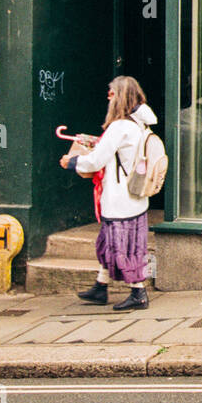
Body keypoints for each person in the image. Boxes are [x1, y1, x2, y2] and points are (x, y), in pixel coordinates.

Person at [60, 75, 156, 311]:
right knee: (111, 243)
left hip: (120, 198)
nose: (108, 97)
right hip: (135, 197)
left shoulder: (119, 127)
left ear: (120, 96)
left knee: (121, 247)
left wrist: (72, 162)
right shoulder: (139, 124)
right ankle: (100, 286)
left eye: (112, 93)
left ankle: (138, 292)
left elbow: (96, 161)